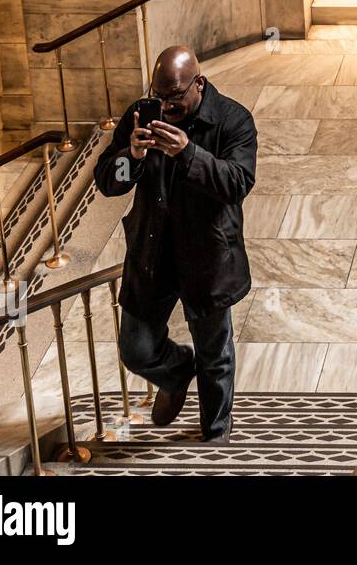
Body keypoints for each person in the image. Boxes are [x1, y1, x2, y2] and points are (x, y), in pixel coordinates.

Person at [93, 45, 257, 443]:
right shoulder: (141, 114)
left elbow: (237, 183)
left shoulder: (233, 120)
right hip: (153, 252)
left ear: (197, 84)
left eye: (174, 98)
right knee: (136, 349)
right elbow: (106, 181)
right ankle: (179, 370)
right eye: (159, 97)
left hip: (207, 256)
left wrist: (188, 153)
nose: (165, 107)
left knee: (214, 354)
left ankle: (216, 435)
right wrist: (130, 155)